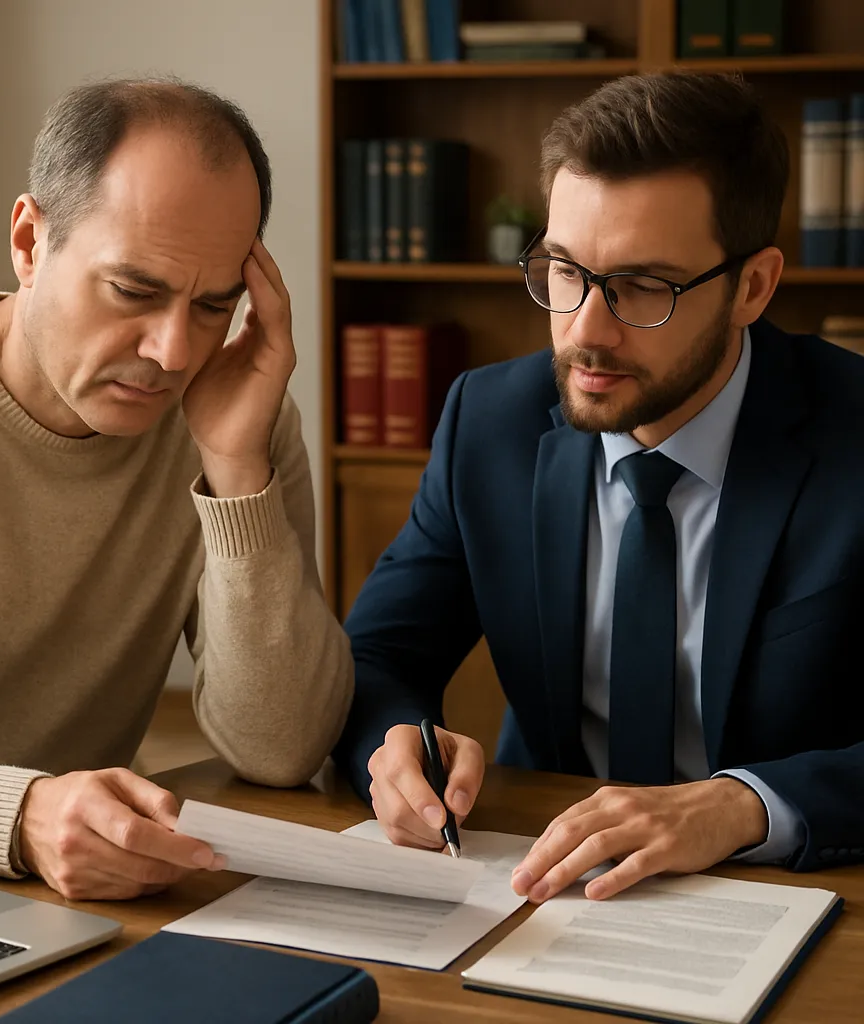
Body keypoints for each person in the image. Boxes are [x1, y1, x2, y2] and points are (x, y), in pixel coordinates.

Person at [333, 71, 864, 904]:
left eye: (644, 286)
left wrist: (742, 807)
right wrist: (394, 743)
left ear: (752, 288)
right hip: (540, 881)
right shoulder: (490, 421)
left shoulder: (852, 435)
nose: (585, 329)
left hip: (791, 892)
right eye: (563, 270)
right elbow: (376, 656)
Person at [0, 77, 353, 900]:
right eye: (135, 291)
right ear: (29, 241)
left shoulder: (233, 419)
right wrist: (22, 815)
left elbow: (282, 748)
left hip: (85, 895)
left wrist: (235, 473)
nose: (172, 351)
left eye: (215, 304)